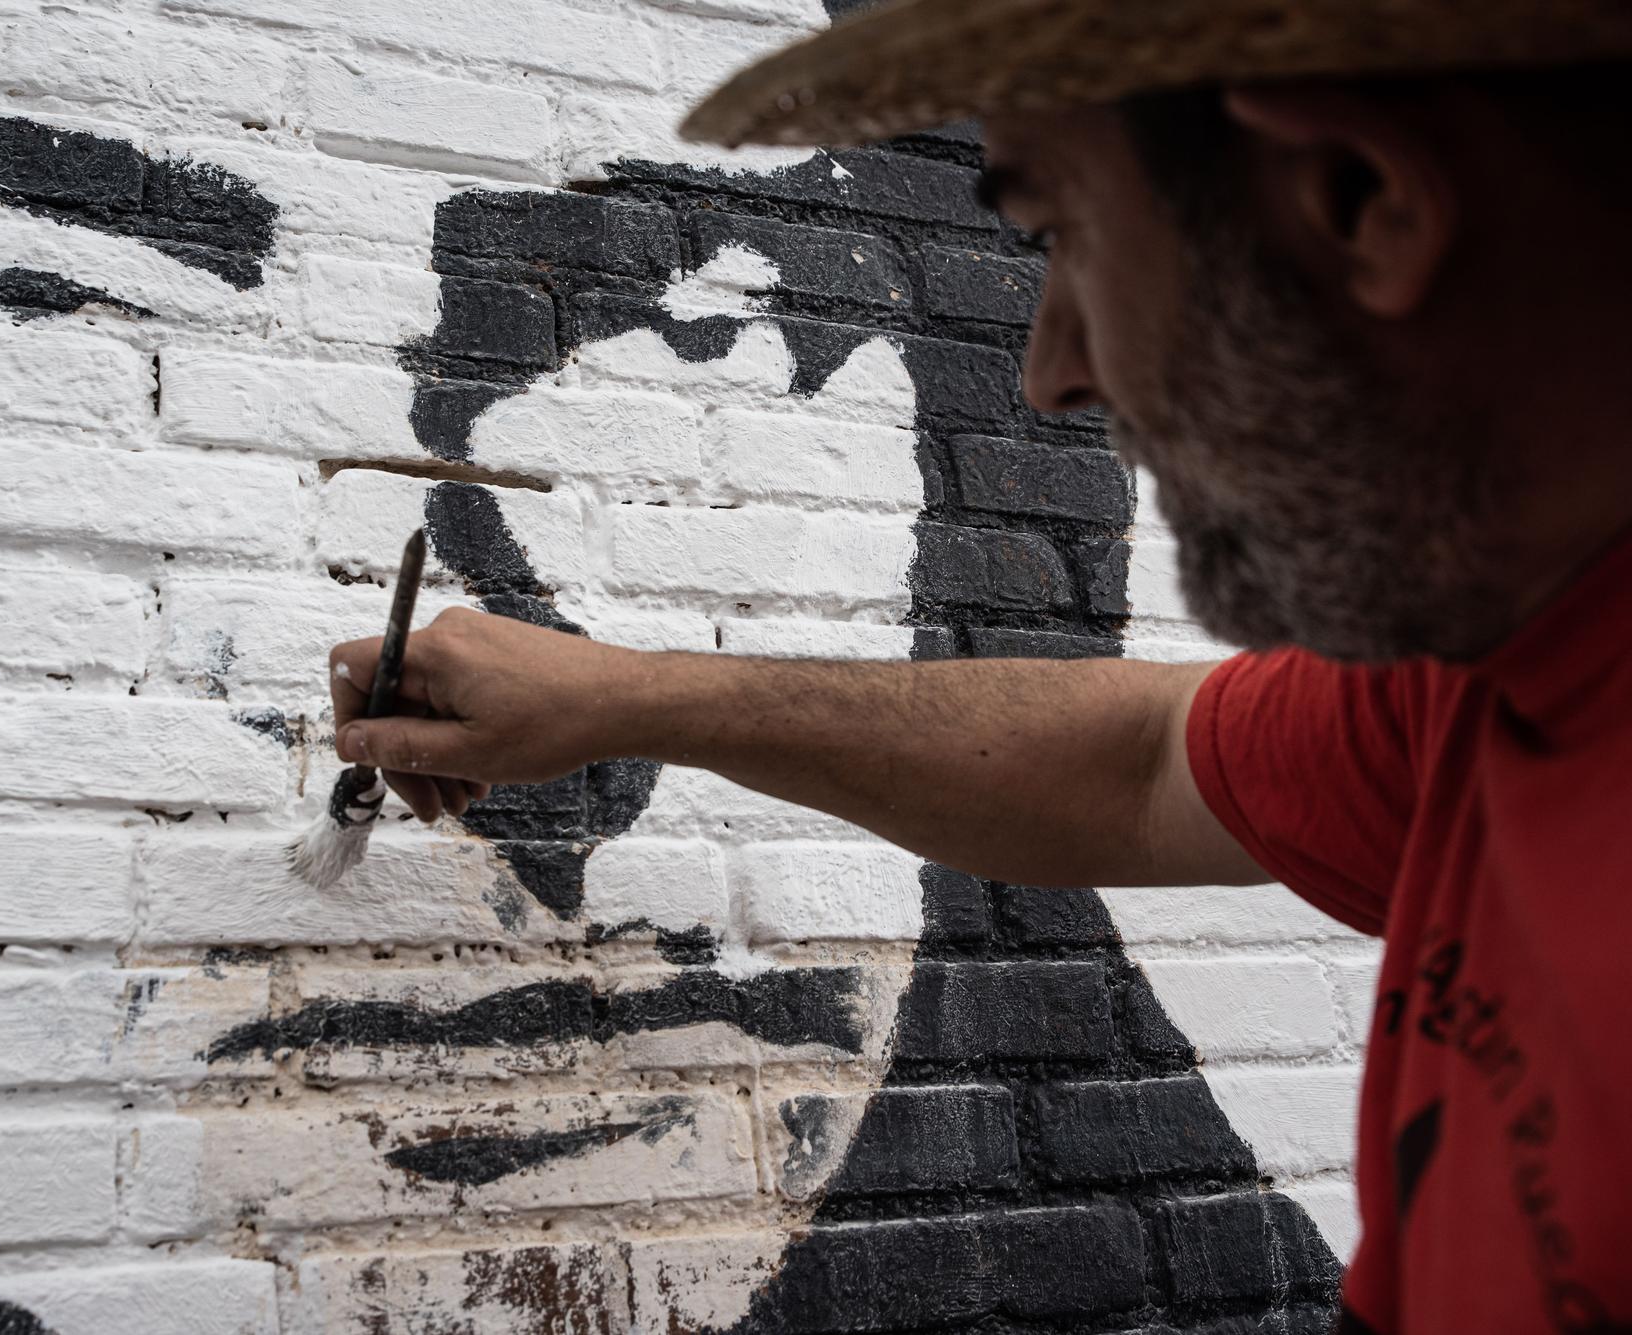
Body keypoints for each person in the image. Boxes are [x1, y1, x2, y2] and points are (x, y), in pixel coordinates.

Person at [325, 2, 1632, 1330]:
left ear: (1358, 195)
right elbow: (1138, 767)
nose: (1051, 373)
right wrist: (629, 698)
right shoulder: (1474, 683)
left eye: (1065, 233)